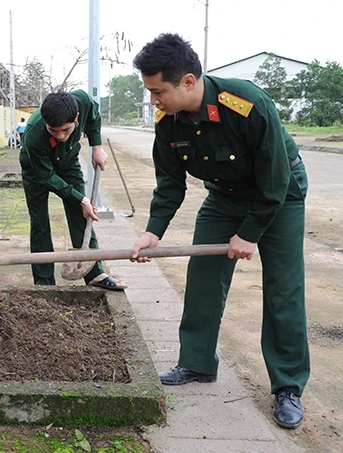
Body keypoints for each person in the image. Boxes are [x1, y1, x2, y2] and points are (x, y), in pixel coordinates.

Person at [131, 33, 309, 429]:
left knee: (283, 288)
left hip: (280, 196)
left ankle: (287, 386)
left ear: (188, 82)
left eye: (158, 91)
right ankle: (196, 364)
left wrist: (249, 233)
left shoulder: (247, 105)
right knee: (203, 277)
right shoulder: (168, 122)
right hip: (225, 197)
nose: (153, 101)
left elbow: (275, 180)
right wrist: (152, 232)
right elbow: (170, 184)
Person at [19, 90, 127, 290]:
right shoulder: (34, 133)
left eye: (66, 130)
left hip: (68, 161)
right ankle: (44, 283)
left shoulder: (83, 103)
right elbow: (46, 177)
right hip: (36, 169)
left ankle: (95, 274)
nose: (61, 136)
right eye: (54, 131)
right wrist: (80, 198)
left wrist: (96, 147)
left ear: (76, 118)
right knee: (40, 222)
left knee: (81, 214)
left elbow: (94, 117)